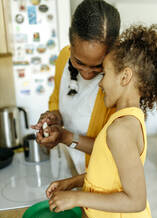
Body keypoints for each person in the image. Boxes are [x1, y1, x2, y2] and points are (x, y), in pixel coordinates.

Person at [45, 24, 157, 218]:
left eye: (105, 74)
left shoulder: (121, 130)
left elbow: (136, 200)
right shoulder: (125, 119)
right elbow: (107, 174)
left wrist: (77, 198)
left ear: (125, 76)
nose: (99, 82)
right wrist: (72, 183)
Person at [31, 0, 120, 174]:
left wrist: (66, 137)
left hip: (102, 177)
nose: (86, 73)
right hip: (71, 166)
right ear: (70, 44)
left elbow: (116, 150)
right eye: (79, 62)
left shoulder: (118, 83)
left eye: (97, 66)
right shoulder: (64, 57)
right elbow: (57, 99)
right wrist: (54, 117)